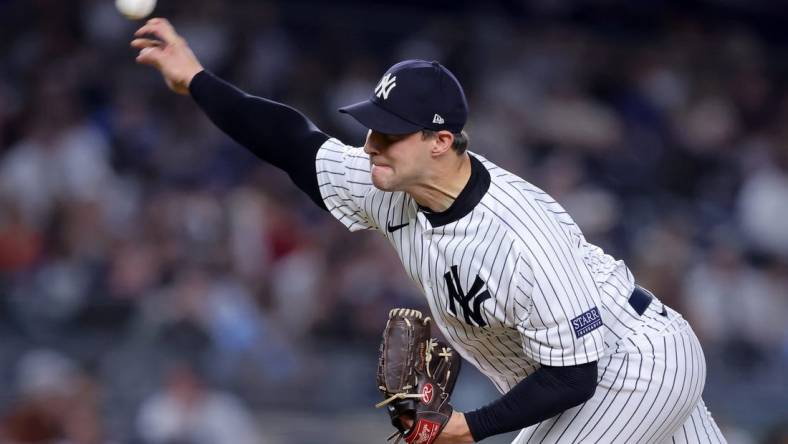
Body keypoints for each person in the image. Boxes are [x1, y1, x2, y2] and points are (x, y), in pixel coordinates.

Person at [131, 18, 726, 443]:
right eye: (371, 127)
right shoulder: (385, 181)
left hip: (634, 365)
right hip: (575, 372)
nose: (371, 144)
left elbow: (575, 376)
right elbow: (291, 141)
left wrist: (469, 426)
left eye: (389, 133)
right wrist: (197, 79)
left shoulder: (521, 236)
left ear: (442, 141)